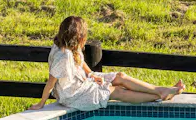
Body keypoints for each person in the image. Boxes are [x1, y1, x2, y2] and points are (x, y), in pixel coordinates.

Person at [30, 16, 185, 111]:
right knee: (116, 91)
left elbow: (80, 63)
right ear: (79, 38)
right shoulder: (63, 56)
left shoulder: (70, 45)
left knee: (120, 77)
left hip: (82, 82)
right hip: (74, 95)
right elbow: (51, 83)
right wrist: (41, 103)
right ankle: (159, 95)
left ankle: (160, 90)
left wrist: (91, 74)